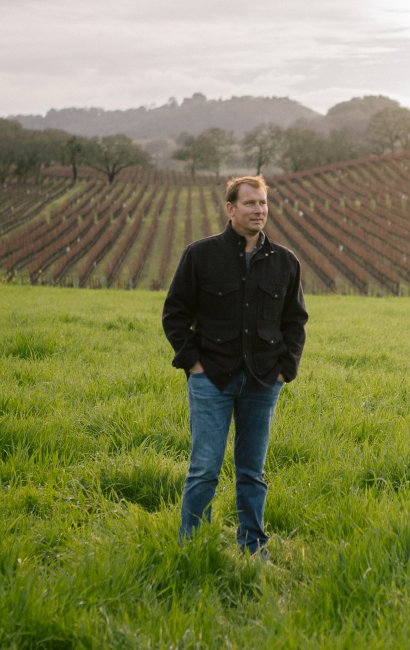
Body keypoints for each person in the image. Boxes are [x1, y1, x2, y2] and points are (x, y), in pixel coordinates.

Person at [161, 175, 307, 557]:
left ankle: (253, 547)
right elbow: (175, 315)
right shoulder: (201, 255)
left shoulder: (286, 263)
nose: (259, 210)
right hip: (211, 378)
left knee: (252, 473)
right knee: (204, 469)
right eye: (250, 204)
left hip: (262, 382)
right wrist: (193, 364)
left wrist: (283, 371)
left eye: (263, 203)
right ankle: (193, 546)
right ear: (230, 209)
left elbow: (295, 322)